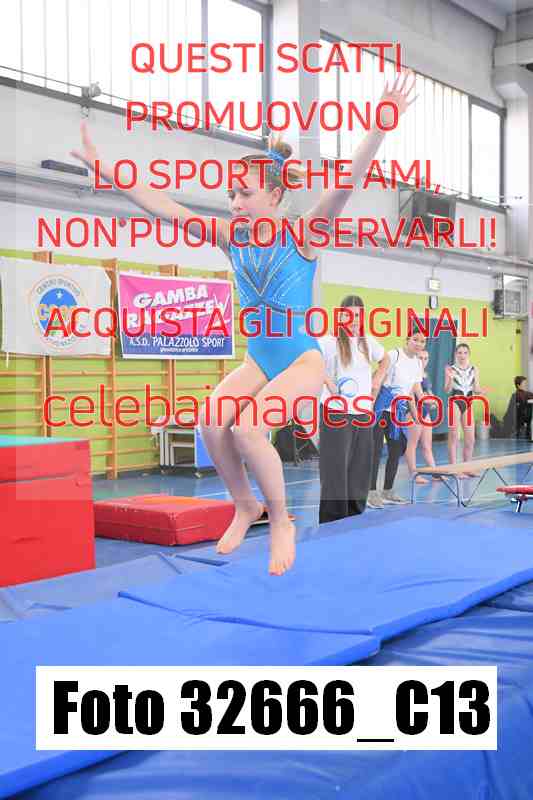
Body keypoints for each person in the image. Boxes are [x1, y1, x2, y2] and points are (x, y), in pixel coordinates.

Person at [72, 72, 417, 574]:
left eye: (245, 194)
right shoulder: (230, 238)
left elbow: (347, 183)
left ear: (275, 197)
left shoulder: (303, 235)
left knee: (249, 428)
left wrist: (381, 123)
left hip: (300, 360)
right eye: (231, 194)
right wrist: (104, 168)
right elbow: (163, 206)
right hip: (259, 358)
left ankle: (280, 520)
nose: (234, 203)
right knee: (212, 421)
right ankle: (245, 505)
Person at [319, 295, 390, 522]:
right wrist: (328, 382)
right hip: (336, 412)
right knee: (336, 467)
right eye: (348, 314)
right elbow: (310, 362)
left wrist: (377, 380)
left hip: (362, 412)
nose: (353, 319)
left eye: (357, 315)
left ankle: (355, 515)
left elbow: (386, 359)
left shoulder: (366, 341)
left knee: (360, 466)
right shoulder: (328, 340)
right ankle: (333, 519)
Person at [368, 332, 426, 506]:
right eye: (415, 339)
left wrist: (415, 415)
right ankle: (371, 493)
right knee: (376, 450)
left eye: (422, 341)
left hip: (397, 412)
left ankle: (388, 491)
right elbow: (377, 377)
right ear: (407, 340)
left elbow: (410, 391)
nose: (418, 343)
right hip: (381, 408)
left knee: (397, 448)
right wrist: (370, 405)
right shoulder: (394, 355)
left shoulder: (417, 363)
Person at [444, 343, 482, 476]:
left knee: (471, 439)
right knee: (454, 436)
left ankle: (467, 467)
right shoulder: (451, 369)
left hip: (468, 402)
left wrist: (481, 391)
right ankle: (454, 469)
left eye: (465, 353)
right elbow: (447, 390)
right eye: (459, 353)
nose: (462, 355)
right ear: (456, 354)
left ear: (468, 354)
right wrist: (450, 378)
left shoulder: (474, 369)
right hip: (455, 402)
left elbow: (476, 388)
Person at [405, 349, 439, 484]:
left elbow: (428, 392)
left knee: (427, 445)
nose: (423, 361)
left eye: (426, 358)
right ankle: (414, 474)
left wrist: (433, 400)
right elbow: (412, 395)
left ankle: (436, 473)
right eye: (420, 358)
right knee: (412, 444)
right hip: (413, 411)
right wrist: (429, 400)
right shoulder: (410, 373)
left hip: (425, 411)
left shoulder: (425, 374)